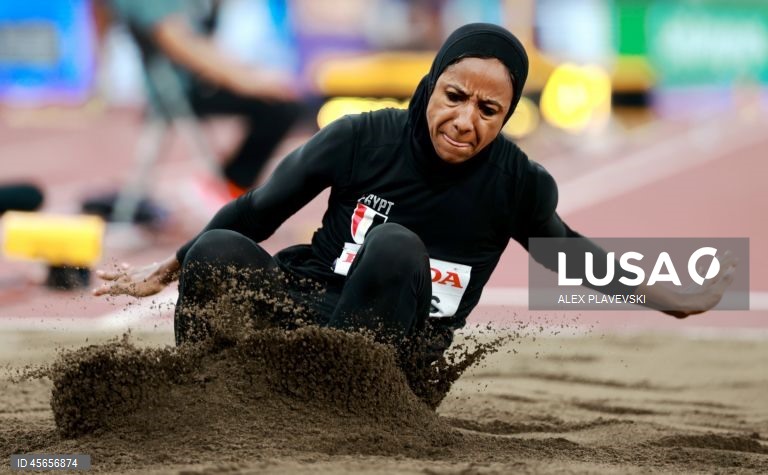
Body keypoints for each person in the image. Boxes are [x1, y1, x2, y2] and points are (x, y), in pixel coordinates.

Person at [93, 23, 736, 364]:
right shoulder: (359, 138)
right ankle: (197, 390)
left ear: (508, 114)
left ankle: (331, 393)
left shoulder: (518, 183)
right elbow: (259, 211)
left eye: (489, 109)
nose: (466, 120)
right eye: (455, 97)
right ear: (429, 86)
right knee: (217, 250)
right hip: (308, 311)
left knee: (397, 246)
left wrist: (671, 300)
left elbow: (570, 255)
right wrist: (173, 264)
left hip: (392, 361)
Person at [107, 0, 303, 196]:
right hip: (178, 89)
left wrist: (250, 75)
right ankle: (229, 189)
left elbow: (199, 41)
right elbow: (175, 40)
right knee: (280, 106)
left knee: (283, 100)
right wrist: (247, 81)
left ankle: (229, 187)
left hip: (199, 79)